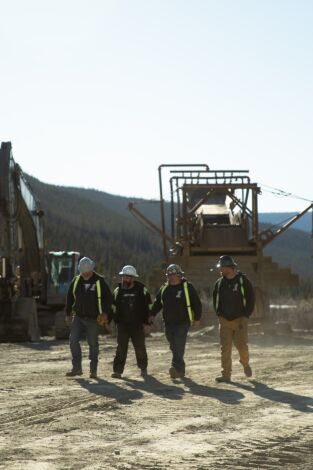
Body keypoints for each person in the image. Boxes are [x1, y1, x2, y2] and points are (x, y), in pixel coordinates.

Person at [150, 264, 202, 379]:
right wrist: (152, 314)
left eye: (173, 274)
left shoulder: (187, 287)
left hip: (183, 322)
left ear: (179, 275)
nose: (171, 277)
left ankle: (177, 369)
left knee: (178, 344)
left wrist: (197, 318)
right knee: (173, 345)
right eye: (169, 275)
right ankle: (180, 369)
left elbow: (197, 304)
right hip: (168, 323)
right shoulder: (164, 288)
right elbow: (158, 303)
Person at [65, 257, 112, 379]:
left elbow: (108, 298)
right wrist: (67, 314)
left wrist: (106, 313)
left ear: (92, 269)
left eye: (87, 271)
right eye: (83, 272)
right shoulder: (76, 280)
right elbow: (70, 298)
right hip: (78, 317)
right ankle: (77, 368)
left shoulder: (99, 281)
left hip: (93, 318)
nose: (85, 274)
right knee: (73, 340)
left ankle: (93, 370)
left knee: (93, 343)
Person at [213, 255, 255, 383]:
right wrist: (219, 315)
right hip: (224, 321)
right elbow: (215, 301)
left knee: (242, 347)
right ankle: (226, 375)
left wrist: (246, 315)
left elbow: (250, 299)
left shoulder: (243, 281)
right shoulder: (219, 283)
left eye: (222, 268)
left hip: (240, 320)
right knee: (225, 348)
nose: (220, 270)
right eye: (220, 268)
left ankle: (245, 363)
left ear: (230, 268)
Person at [111, 265, 152, 379]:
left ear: (133, 278)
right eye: (124, 276)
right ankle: (117, 371)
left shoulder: (142, 290)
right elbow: (113, 307)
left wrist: (148, 323)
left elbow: (149, 307)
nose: (125, 279)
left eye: (128, 277)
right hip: (122, 325)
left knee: (140, 347)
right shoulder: (117, 290)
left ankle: (143, 368)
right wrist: (112, 321)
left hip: (138, 324)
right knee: (121, 348)